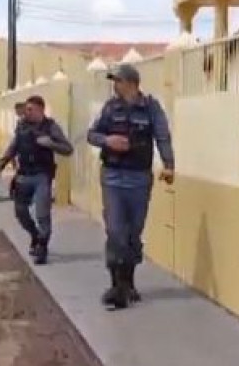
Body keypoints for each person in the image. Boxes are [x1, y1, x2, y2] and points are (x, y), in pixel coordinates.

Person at [87, 64, 174, 310]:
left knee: (133, 234)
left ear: (132, 84)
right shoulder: (109, 108)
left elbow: (162, 135)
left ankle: (128, 281)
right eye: (114, 82)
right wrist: (108, 140)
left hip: (139, 179)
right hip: (113, 178)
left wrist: (168, 164)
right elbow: (92, 134)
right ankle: (117, 286)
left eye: (119, 82)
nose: (115, 86)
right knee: (115, 231)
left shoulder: (151, 108)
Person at [0, 95, 73, 265]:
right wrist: (0, 166)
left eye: (30, 109)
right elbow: (13, 147)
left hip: (42, 175)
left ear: (40, 110)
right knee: (20, 212)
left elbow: (67, 149)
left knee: (42, 213)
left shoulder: (50, 127)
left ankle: (42, 247)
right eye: (26, 109)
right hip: (23, 175)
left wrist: (50, 143)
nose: (26, 112)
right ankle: (35, 235)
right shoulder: (22, 126)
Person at [9, 102, 26, 199]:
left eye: (17, 110)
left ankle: (15, 191)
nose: (16, 113)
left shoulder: (25, 121)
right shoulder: (20, 121)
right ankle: (14, 191)